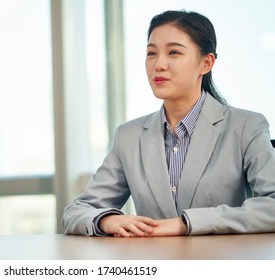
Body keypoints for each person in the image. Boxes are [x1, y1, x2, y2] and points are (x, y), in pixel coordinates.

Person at [62, 10, 275, 237]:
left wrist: (186, 223)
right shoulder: (129, 136)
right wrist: (107, 220)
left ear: (206, 63)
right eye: (151, 53)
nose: (159, 64)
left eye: (174, 52)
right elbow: (77, 210)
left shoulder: (246, 127)